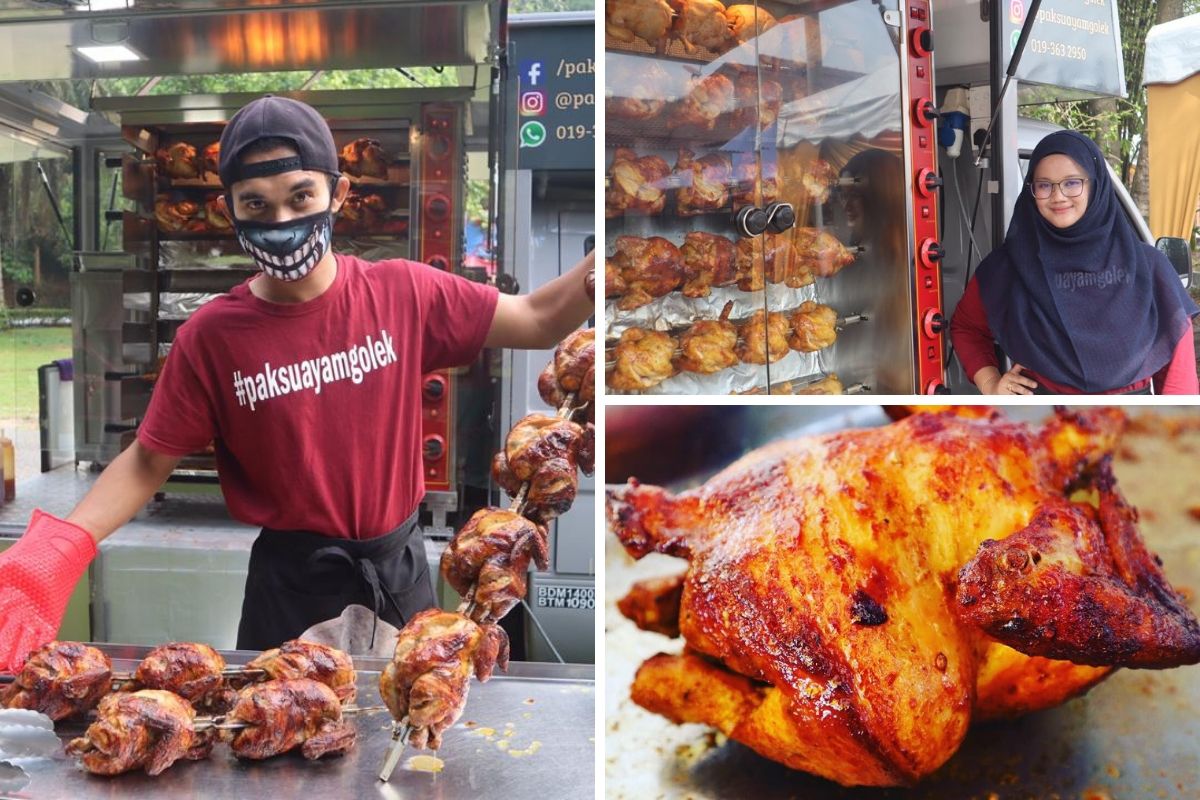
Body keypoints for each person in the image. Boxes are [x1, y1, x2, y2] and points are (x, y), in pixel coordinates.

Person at [0, 96, 595, 669]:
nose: (281, 222)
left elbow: (540, 318)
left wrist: (609, 263)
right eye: (256, 205)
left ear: (337, 192)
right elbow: (147, 461)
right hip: (290, 589)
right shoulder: (213, 337)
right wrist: (58, 552)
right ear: (230, 209)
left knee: (413, 743)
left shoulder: (404, 293)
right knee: (281, 747)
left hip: (398, 574)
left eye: (299, 196)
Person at [950, 130, 1198, 395]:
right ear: (1031, 191)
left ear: (1096, 185)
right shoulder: (1009, 267)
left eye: (1072, 183)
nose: (1058, 196)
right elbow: (966, 327)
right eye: (1044, 185)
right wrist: (990, 383)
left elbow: (1177, 376)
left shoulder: (1148, 267)